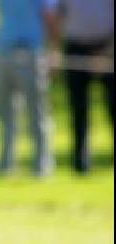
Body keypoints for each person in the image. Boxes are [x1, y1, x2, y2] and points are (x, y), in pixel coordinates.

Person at [0, 0, 61, 177]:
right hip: (3, 49)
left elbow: (50, 17)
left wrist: (54, 51)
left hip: (31, 51)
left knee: (37, 112)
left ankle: (42, 164)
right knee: (5, 113)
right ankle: (6, 164)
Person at [59, 0, 114, 173]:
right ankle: (80, 162)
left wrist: (108, 52)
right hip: (75, 46)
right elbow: (55, 14)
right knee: (78, 109)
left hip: (107, 45)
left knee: (113, 106)